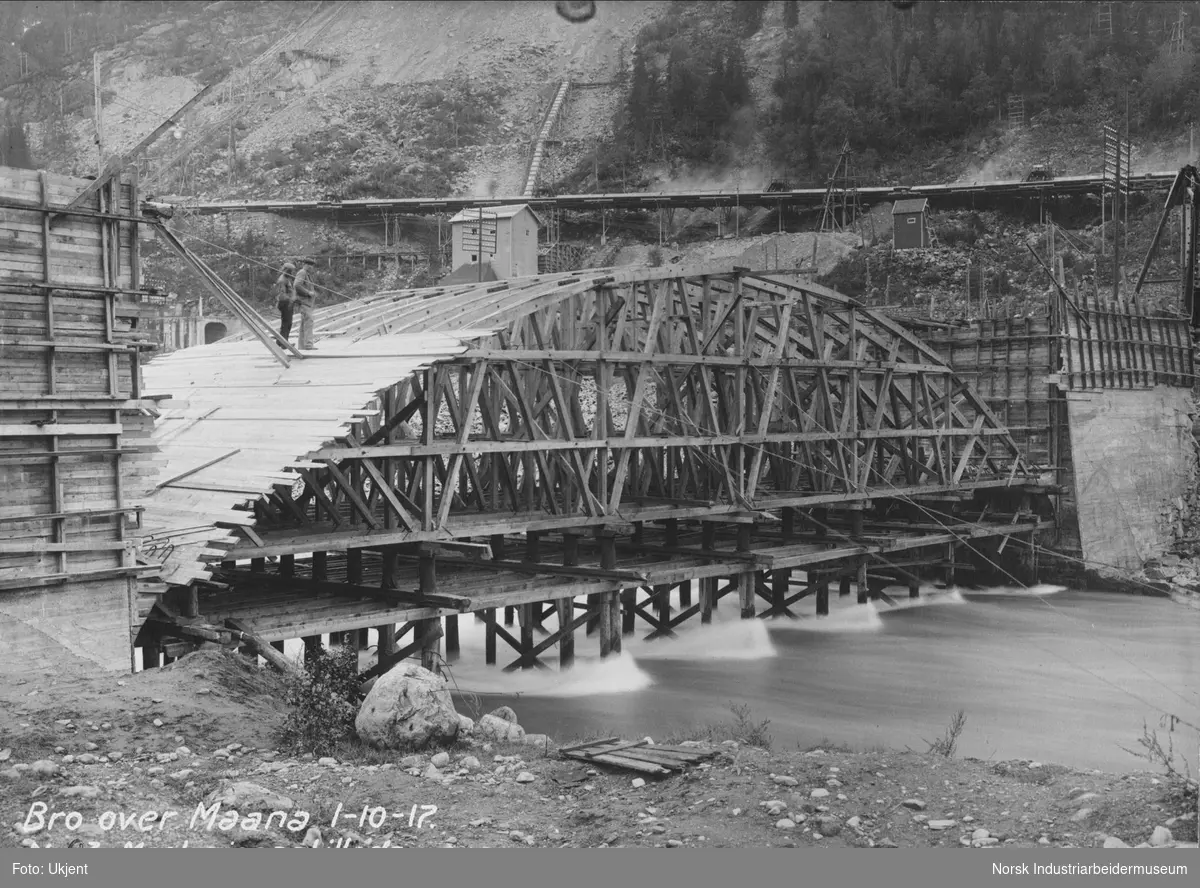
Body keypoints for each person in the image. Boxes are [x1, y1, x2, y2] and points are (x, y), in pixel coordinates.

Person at [294, 258, 319, 349]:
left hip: (307, 303)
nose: (312, 268)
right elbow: (297, 285)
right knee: (309, 322)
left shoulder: (307, 274)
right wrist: (308, 292)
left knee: (304, 324)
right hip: (304, 302)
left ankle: (302, 346)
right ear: (308, 265)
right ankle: (308, 345)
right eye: (311, 266)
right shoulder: (302, 272)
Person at [276, 262, 297, 341]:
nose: (292, 273)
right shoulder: (282, 280)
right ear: (287, 271)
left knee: (288, 323)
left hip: (289, 303)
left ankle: (282, 341)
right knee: (286, 323)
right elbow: (282, 295)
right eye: (291, 271)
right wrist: (291, 299)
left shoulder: (288, 279)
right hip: (285, 304)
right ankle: (283, 342)